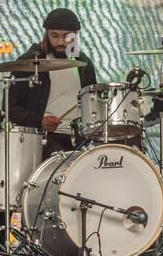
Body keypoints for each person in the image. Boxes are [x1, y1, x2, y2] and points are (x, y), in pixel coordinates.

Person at [8, 8, 98, 160]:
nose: (60, 42)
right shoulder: (30, 62)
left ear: (75, 36)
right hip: (43, 140)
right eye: (54, 36)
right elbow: (10, 107)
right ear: (46, 34)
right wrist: (40, 121)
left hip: (80, 139)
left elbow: (93, 101)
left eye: (66, 37)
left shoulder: (84, 64)